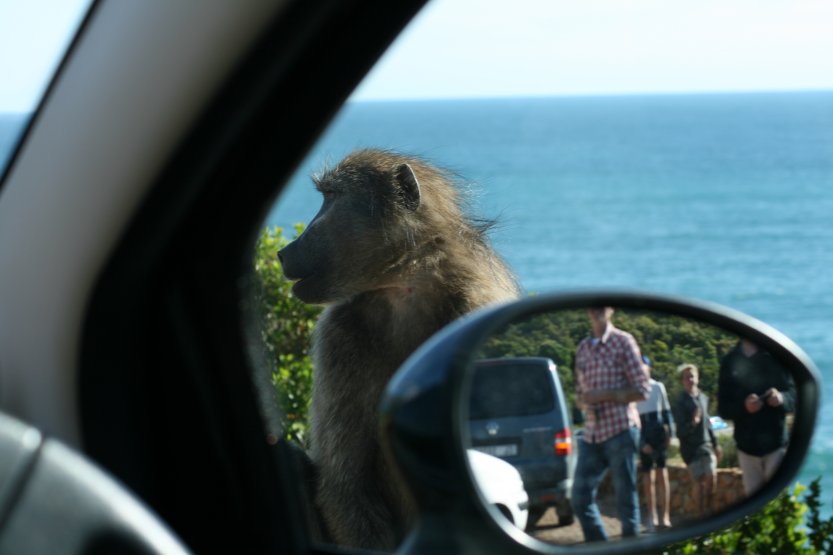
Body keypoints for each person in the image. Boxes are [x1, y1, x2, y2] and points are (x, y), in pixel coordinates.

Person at [572, 307, 651, 542]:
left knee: (626, 499)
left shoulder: (623, 342)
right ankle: (600, 547)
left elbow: (642, 389)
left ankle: (631, 548)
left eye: (602, 306)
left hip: (620, 430)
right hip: (592, 433)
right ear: (587, 311)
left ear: (611, 310)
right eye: (593, 306)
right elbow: (579, 392)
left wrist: (605, 394)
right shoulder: (583, 348)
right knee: (579, 497)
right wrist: (584, 401)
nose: (597, 310)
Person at [717, 339, 796, 496]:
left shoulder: (777, 356)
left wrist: (781, 398)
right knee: (756, 512)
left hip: (776, 446)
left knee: (779, 502)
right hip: (747, 449)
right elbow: (723, 409)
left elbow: (793, 395)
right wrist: (744, 407)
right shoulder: (729, 361)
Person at [672, 363, 721, 518]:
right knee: (698, 482)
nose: (690, 380)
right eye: (687, 377)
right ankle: (700, 515)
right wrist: (693, 422)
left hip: (705, 445)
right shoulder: (680, 402)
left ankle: (709, 510)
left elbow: (708, 423)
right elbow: (680, 431)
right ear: (683, 381)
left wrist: (716, 444)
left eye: (692, 376)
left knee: (711, 476)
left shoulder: (704, 398)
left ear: (698, 378)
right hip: (690, 449)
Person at [635, 355, 674, 532]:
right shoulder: (633, 390)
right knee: (647, 476)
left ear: (649, 368)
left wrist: (670, 433)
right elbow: (632, 421)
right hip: (643, 432)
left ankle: (665, 516)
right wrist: (641, 442)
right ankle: (651, 517)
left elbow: (667, 413)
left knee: (662, 474)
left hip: (658, 432)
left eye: (644, 366)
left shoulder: (658, 387)